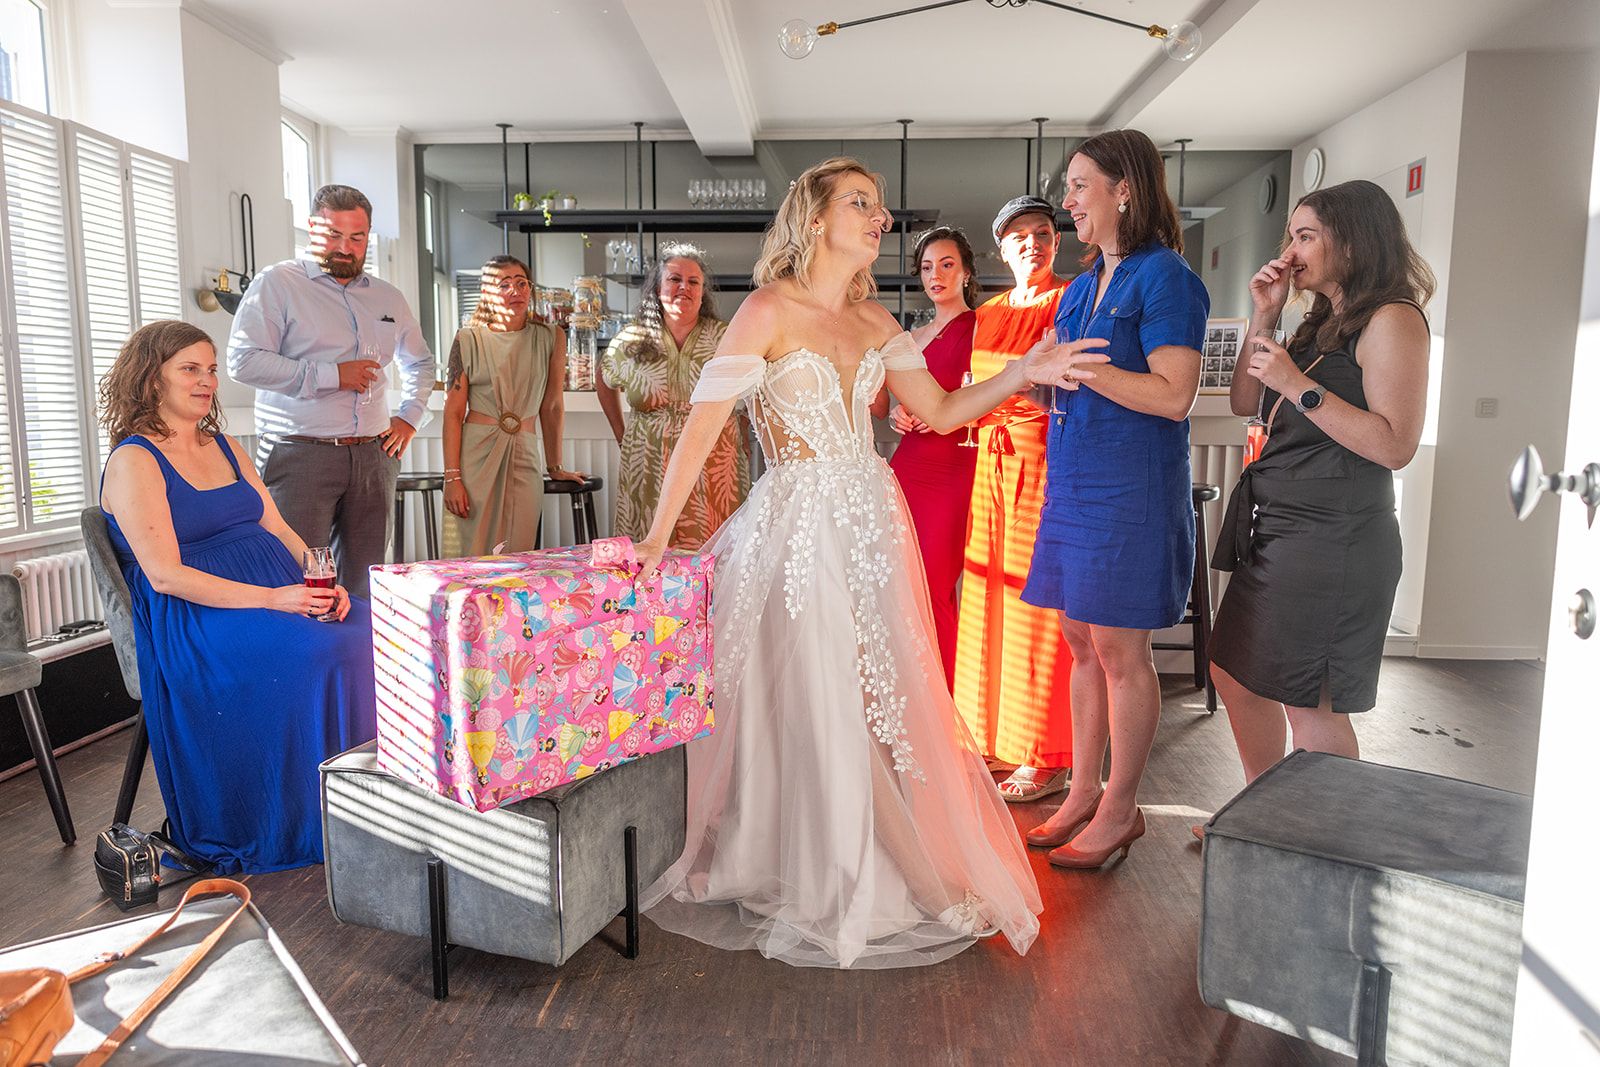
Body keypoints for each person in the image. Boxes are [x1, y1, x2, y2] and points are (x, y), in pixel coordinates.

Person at [633, 157, 1108, 969]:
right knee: (831, 695)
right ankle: (872, 871)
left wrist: (1025, 371)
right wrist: (654, 536)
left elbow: (944, 410)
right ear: (814, 219)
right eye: (860, 203)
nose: (878, 217)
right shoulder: (766, 311)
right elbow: (704, 426)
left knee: (887, 699)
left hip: (871, 521)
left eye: (881, 207)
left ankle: (881, 861)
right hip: (796, 527)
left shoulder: (879, 325)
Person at [97, 320, 376, 874]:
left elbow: (275, 525)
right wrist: (277, 600)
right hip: (200, 617)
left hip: (281, 591)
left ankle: (369, 809)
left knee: (374, 628)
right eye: (190, 370)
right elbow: (166, 575)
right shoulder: (135, 460)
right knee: (316, 652)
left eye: (212, 369)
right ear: (152, 379)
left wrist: (326, 579)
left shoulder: (224, 445)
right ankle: (307, 817)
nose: (207, 381)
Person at [1021, 129, 1209, 869]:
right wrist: (1038, 375)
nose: (1068, 203)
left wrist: (1083, 373)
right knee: (1077, 638)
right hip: (1072, 482)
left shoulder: (1166, 279)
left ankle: (1122, 807)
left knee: (1121, 649)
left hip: (1130, 488)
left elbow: (1174, 395)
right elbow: (1064, 381)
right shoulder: (1079, 286)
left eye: (1078, 186)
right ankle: (1082, 788)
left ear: (1122, 189)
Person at [1208, 180, 1434, 782]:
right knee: (1234, 671)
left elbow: (1394, 445)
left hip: (1338, 540)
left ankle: (1321, 845)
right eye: (1292, 236)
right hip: (1282, 531)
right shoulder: (1322, 322)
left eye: (1307, 236)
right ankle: (1267, 812)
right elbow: (1242, 401)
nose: (1292, 250)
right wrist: (1265, 314)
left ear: (1354, 242)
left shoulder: (1393, 320)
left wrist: (1296, 385)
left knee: (1310, 701)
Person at [227, 183, 434, 597]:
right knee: (296, 577)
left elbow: (422, 364)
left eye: (357, 237)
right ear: (312, 229)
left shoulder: (388, 297)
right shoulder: (278, 284)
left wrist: (409, 418)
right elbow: (243, 361)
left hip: (374, 457)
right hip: (299, 454)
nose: (346, 247)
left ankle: (357, 663)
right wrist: (332, 375)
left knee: (366, 582)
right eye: (334, 234)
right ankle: (301, 663)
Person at [952, 196, 1076, 801]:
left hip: (1043, 461)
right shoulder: (988, 313)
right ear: (1001, 248)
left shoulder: (1072, 297)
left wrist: (1005, 393)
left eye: (1044, 232)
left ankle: (1046, 752)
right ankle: (995, 738)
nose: (1033, 242)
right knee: (986, 594)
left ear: (1057, 241)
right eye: (1020, 235)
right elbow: (978, 387)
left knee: (1037, 608)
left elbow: (1068, 385)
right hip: (988, 464)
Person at [597, 244, 749, 549]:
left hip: (714, 462)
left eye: (693, 281)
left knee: (713, 555)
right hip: (646, 463)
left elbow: (753, 389)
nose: (684, 288)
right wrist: (621, 433)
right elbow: (604, 379)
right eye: (674, 279)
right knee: (649, 558)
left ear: (703, 290)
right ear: (657, 287)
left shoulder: (727, 337)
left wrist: (743, 435)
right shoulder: (631, 339)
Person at [883, 227, 981, 688]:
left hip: (953, 469)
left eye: (946, 264)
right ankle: (909, 693)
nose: (936, 275)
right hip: (906, 466)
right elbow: (894, 402)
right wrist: (900, 414)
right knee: (900, 585)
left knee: (936, 584)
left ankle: (943, 701)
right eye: (927, 267)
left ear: (965, 272)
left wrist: (947, 412)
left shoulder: (982, 328)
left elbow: (992, 395)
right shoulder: (909, 338)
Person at [440, 255, 585, 556]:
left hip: (524, 454)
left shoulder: (550, 337)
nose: (514, 291)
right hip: (475, 457)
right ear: (486, 293)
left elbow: (553, 405)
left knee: (519, 553)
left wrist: (554, 466)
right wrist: (452, 477)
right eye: (503, 285)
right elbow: (453, 413)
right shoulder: (468, 340)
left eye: (521, 283)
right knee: (470, 551)